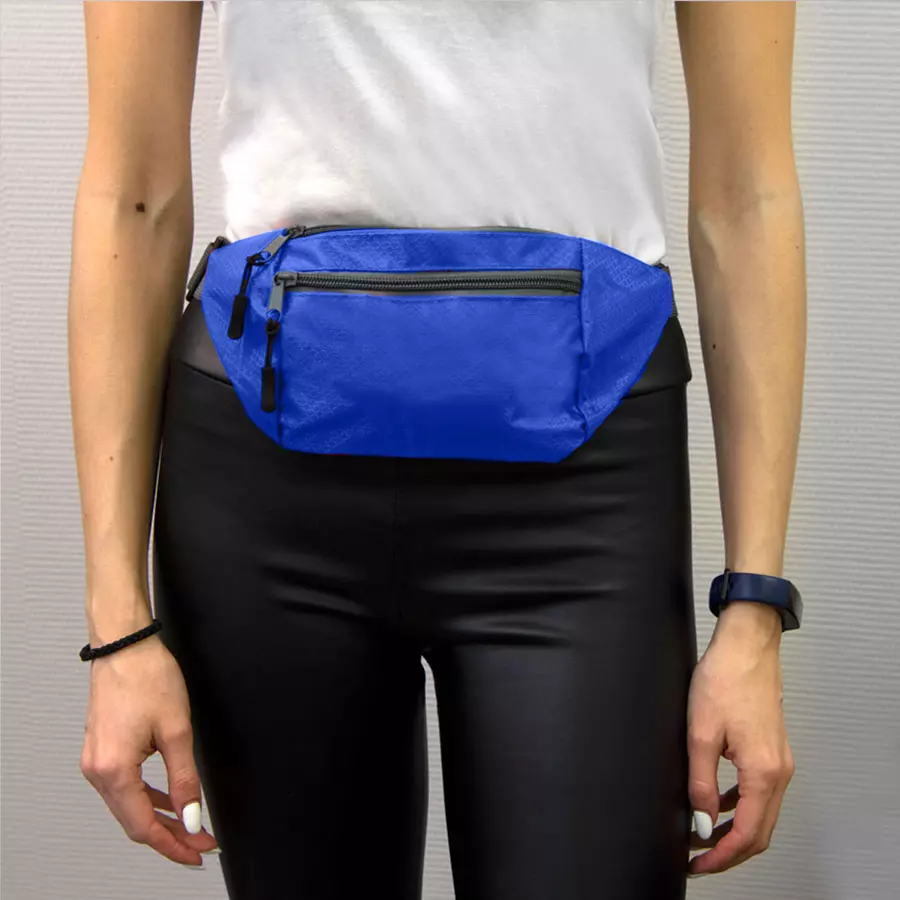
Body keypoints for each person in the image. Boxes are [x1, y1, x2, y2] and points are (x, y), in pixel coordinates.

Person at [71, 2, 805, 898]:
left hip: (582, 504)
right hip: (267, 499)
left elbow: (746, 196)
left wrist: (755, 610)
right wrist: (118, 626)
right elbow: (133, 196)